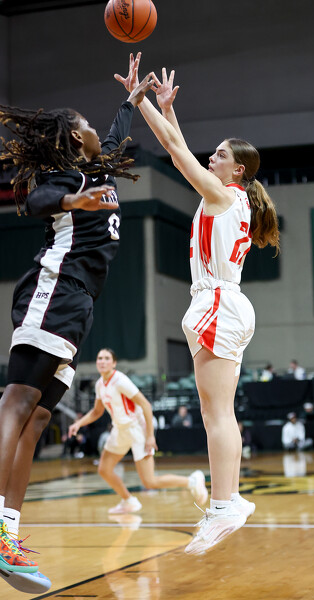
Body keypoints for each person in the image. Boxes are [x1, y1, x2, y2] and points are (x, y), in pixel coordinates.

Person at [0, 56, 153, 592]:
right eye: (85, 123)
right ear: (71, 137)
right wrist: (70, 199)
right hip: (55, 287)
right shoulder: (65, 177)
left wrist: (130, 102)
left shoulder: (100, 167)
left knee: (39, 417)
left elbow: (113, 137)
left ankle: (7, 533)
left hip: (81, 302)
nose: (94, 130)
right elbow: (38, 199)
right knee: (17, 401)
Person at [130, 55, 280, 554]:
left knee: (218, 415)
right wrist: (167, 109)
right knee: (217, 412)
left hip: (217, 301)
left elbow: (176, 153)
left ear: (237, 169)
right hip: (221, 301)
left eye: (218, 154)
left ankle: (224, 505)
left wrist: (141, 102)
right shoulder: (228, 196)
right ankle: (227, 501)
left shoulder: (223, 194)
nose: (209, 157)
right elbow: (180, 147)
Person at [68, 348, 207, 513]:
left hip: (137, 429)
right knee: (104, 469)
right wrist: (79, 423)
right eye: (99, 358)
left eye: (106, 358)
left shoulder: (120, 380)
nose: (102, 361)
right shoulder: (99, 385)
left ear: (114, 363)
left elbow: (146, 405)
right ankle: (128, 501)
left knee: (149, 482)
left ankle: (192, 481)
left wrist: (150, 436)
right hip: (119, 430)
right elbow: (97, 412)